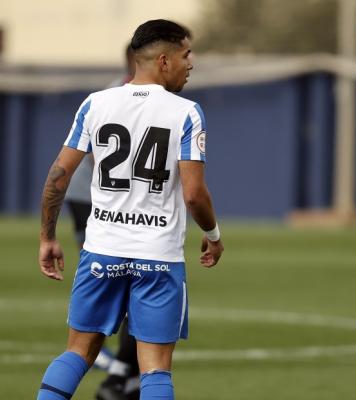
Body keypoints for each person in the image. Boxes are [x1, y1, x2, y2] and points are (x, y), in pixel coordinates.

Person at [37, 19, 224, 400]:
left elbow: (58, 175)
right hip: (158, 256)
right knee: (154, 366)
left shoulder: (95, 103)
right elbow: (194, 195)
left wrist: (47, 237)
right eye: (186, 54)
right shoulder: (186, 112)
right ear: (164, 60)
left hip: (102, 249)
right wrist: (213, 235)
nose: (192, 63)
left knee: (77, 352)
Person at [64, 43, 142, 400]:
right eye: (182, 54)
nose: (190, 61)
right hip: (92, 200)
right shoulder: (112, 97)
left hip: (123, 207)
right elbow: (99, 161)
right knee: (117, 283)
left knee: (133, 285)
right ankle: (118, 371)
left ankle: (124, 373)